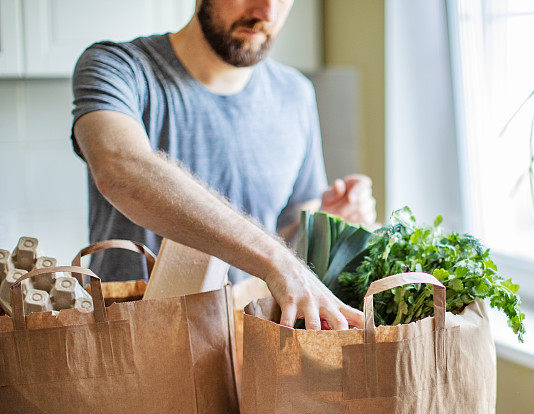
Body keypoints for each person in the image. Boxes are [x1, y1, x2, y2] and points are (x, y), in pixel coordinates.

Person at [71, 0, 375, 331]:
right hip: (132, 344)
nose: (266, 13)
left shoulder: (295, 94)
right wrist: (277, 262)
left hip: (248, 347)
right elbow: (121, 168)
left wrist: (329, 222)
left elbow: (288, 233)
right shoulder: (118, 67)